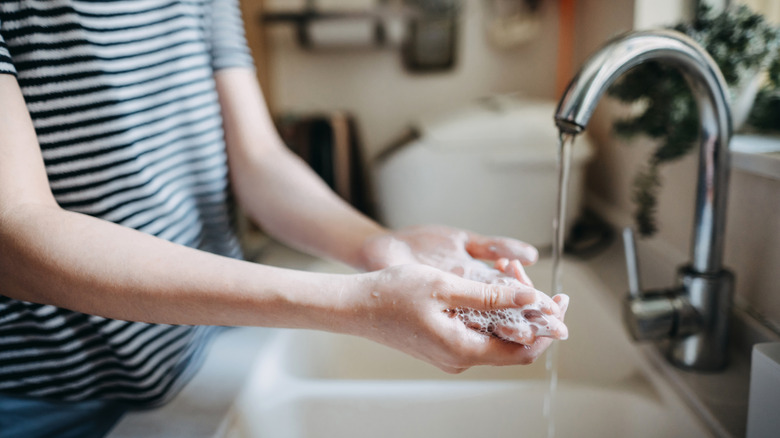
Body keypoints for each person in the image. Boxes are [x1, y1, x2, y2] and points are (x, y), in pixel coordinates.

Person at [0, 1, 568, 437]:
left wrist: (382, 245)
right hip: (43, 393)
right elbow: (15, 235)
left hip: (197, 351)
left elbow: (260, 159)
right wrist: (359, 304)